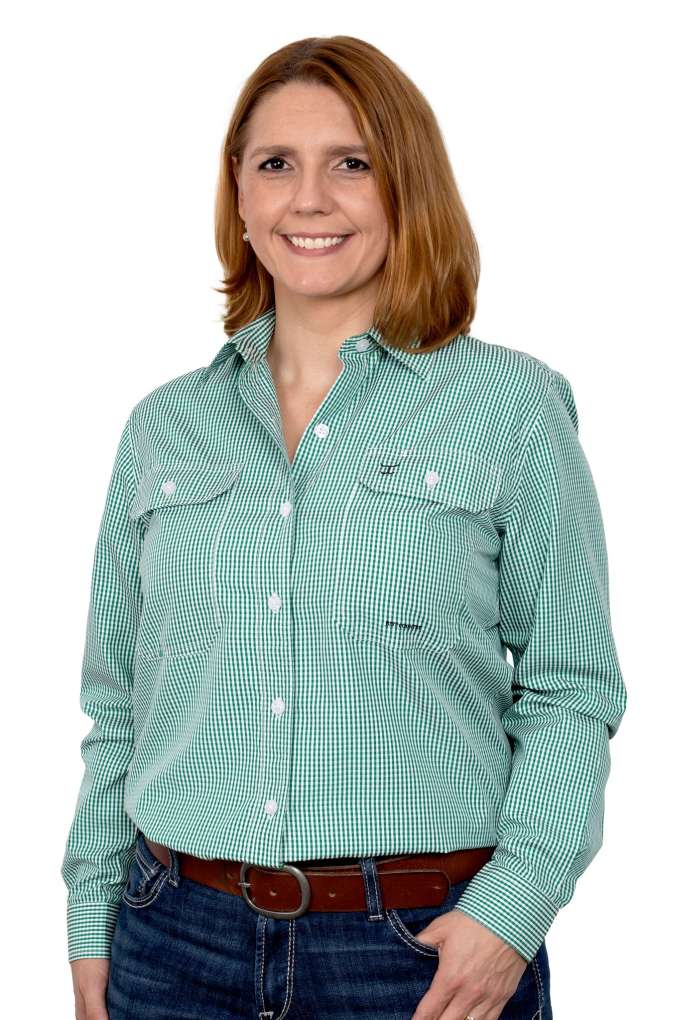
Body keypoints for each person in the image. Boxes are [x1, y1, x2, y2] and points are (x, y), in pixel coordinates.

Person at [61, 34, 627, 1020]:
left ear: (405, 184)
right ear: (239, 195)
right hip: (172, 938)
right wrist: (89, 912)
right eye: (276, 164)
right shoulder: (163, 427)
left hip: (417, 953)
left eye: (352, 163)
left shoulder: (511, 407)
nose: (309, 199)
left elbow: (570, 688)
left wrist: (513, 909)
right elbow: (118, 709)